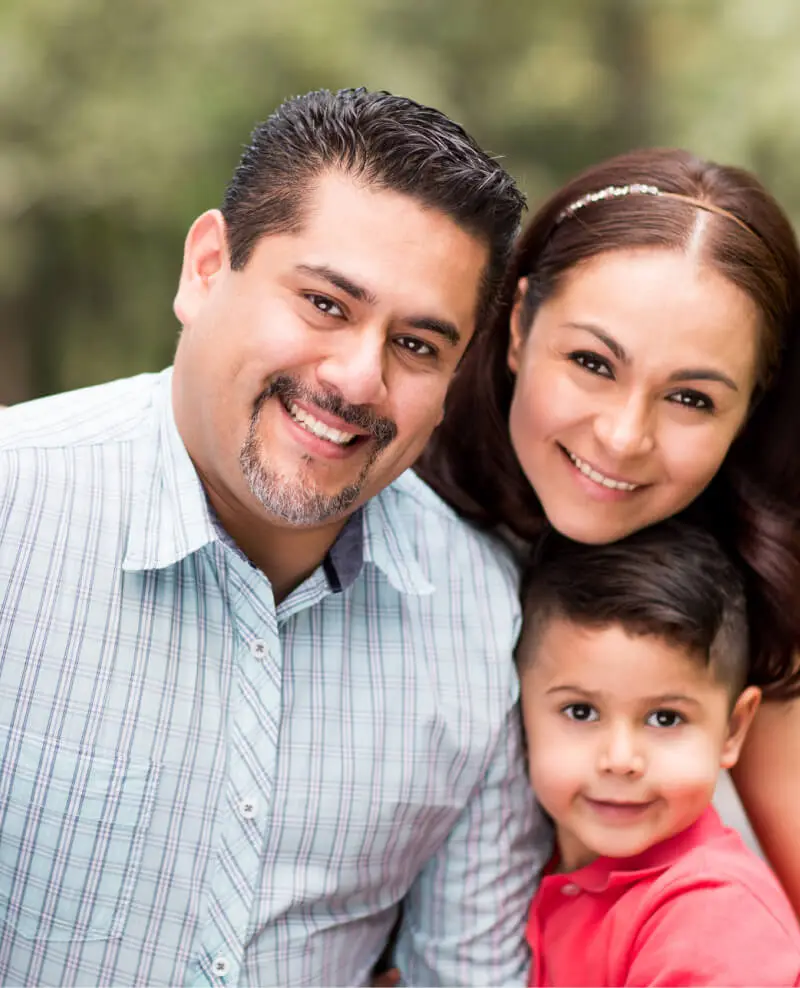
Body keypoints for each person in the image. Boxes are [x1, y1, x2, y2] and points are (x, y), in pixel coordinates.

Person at [0, 88, 546, 987]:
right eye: (327, 304)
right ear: (207, 269)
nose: (358, 378)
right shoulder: (17, 511)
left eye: (417, 345)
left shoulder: (481, 616)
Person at [419, 146, 800, 909]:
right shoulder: (383, 496)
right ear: (522, 326)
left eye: (691, 398)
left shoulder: (757, 592)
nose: (625, 437)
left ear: (748, 410)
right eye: (594, 362)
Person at [516, 520, 800, 986]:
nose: (621, 758)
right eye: (581, 711)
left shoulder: (715, 920)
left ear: (732, 729)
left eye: (665, 718)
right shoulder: (516, 858)